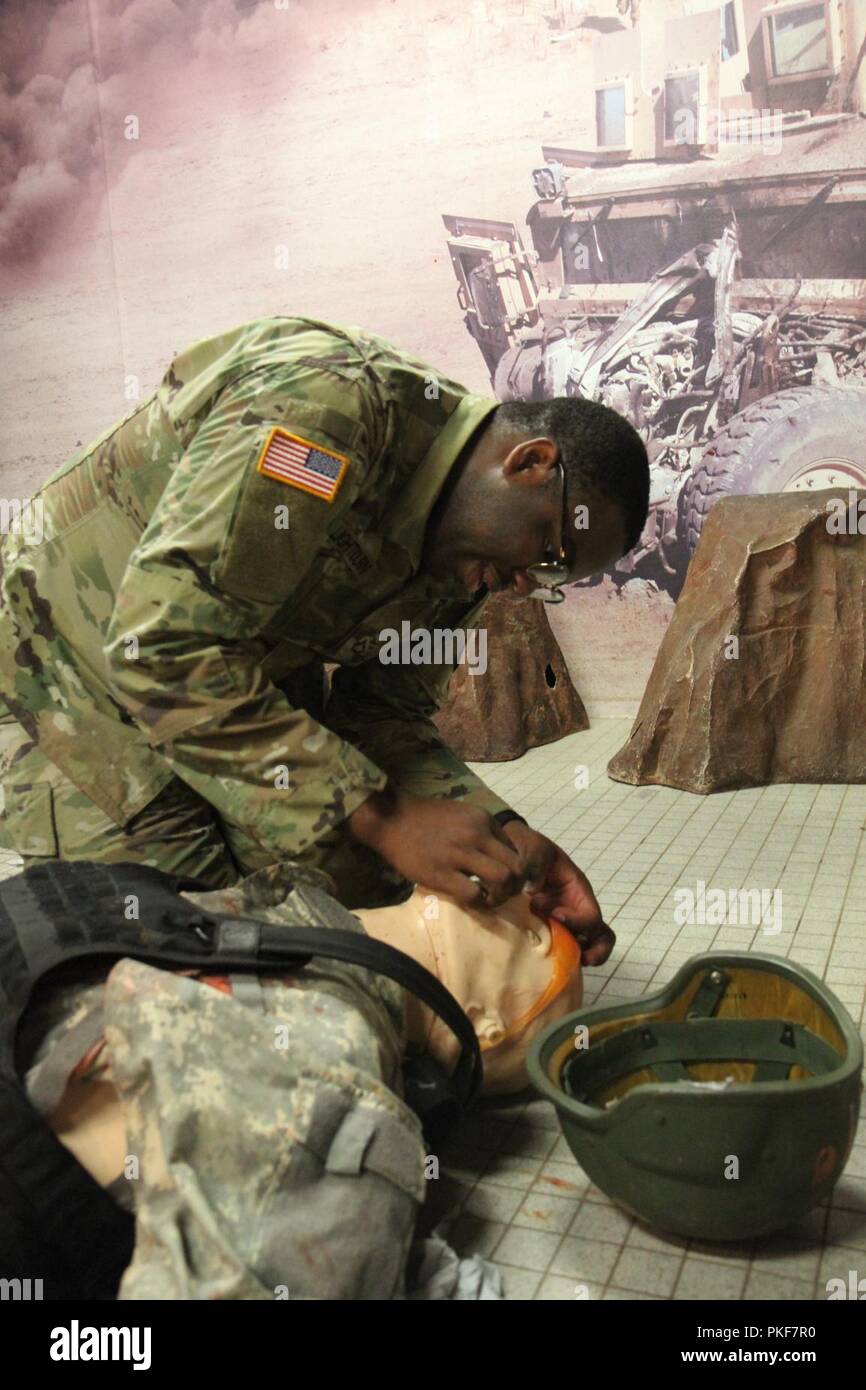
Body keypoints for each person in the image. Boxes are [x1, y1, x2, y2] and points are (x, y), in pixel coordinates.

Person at [0, 316, 649, 963]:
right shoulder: (328, 407)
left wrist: (506, 837)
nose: (523, 584)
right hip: (62, 667)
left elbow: (382, 714)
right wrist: (385, 815)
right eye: (550, 554)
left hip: (233, 678)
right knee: (191, 941)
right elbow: (166, 648)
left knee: (357, 892)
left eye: (549, 581)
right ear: (531, 464)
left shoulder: (467, 561)